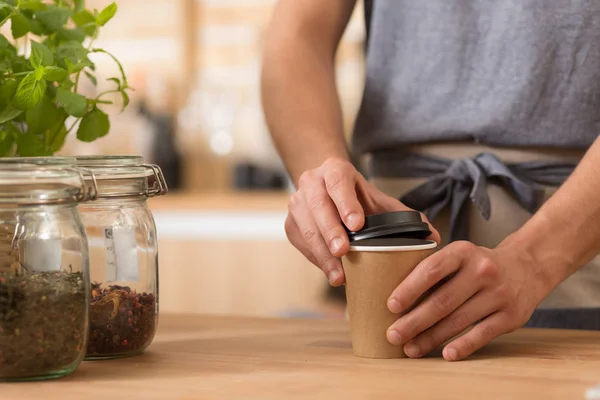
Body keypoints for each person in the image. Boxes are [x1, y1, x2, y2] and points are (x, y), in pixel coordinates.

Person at [260, 0, 600, 361]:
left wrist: (533, 261)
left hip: (579, 254)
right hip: (388, 283)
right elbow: (297, 37)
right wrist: (325, 182)